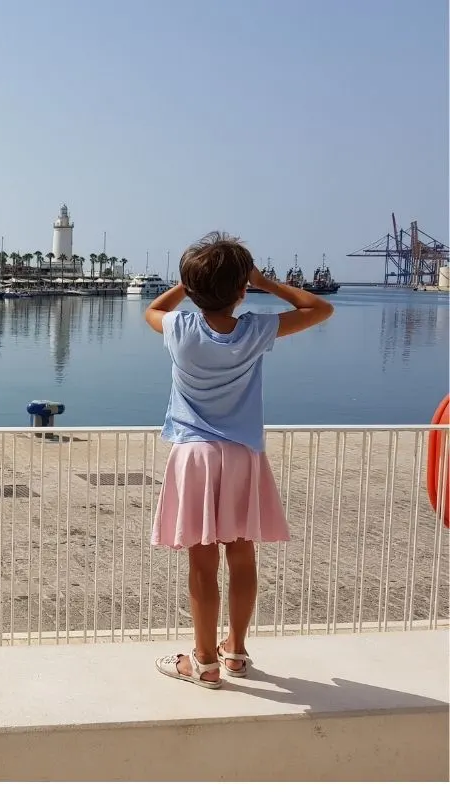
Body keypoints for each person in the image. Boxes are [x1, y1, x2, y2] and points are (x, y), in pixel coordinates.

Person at [144, 232, 334, 688]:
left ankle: (204, 661)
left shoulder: (181, 330)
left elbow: (153, 310)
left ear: (192, 290)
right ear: (241, 289)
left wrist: (186, 286)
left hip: (194, 455)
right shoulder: (256, 330)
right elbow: (319, 309)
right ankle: (236, 653)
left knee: (202, 563)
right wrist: (265, 281)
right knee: (243, 558)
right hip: (242, 455)